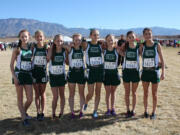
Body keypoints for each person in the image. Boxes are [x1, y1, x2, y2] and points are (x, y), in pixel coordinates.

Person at [140, 28, 165, 119]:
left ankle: (153, 112)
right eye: (146, 34)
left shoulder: (157, 45)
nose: (148, 35)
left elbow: (162, 60)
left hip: (154, 72)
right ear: (143, 36)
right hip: (145, 72)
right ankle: (145, 111)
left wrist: (163, 72)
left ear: (152, 35)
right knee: (145, 93)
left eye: (149, 34)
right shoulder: (142, 46)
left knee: (154, 94)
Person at [10, 29, 33, 126]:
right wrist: (14, 77)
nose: (24, 38)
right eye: (22, 36)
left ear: (29, 37)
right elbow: (11, 65)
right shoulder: (17, 49)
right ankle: (24, 118)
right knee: (20, 98)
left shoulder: (31, 48)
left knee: (30, 99)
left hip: (28, 75)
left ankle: (23, 112)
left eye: (26, 36)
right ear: (20, 37)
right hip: (19, 75)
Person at [63, 33, 86, 119]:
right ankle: (72, 112)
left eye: (79, 40)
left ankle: (81, 111)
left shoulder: (82, 48)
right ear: (73, 40)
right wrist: (68, 44)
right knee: (71, 94)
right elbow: (60, 44)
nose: (78, 41)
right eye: (76, 40)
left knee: (81, 93)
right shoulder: (70, 48)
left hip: (81, 72)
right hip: (72, 73)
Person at [82, 29, 104, 118]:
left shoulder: (101, 45)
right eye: (94, 35)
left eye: (97, 35)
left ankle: (95, 110)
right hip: (91, 71)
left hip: (99, 70)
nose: (96, 37)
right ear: (90, 36)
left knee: (98, 92)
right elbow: (80, 43)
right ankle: (86, 102)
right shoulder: (87, 45)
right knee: (90, 93)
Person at [120, 31, 140, 118]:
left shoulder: (138, 47)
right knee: (127, 92)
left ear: (135, 37)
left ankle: (133, 110)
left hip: (135, 72)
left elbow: (142, 54)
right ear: (127, 38)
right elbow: (118, 49)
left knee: (134, 92)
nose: (131, 38)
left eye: (133, 37)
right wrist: (123, 54)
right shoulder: (125, 46)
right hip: (126, 71)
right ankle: (128, 109)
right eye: (130, 37)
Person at [32, 30, 50, 121]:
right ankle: (38, 112)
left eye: (41, 36)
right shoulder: (33, 47)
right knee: (36, 94)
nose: (39, 38)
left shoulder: (47, 48)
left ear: (44, 37)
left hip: (43, 73)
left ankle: (42, 112)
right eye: (38, 36)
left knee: (42, 94)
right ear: (35, 38)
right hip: (35, 72)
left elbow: (49, 58)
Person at [48, 34, 66, 119]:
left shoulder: (64, 50)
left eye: (61, 41)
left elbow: (68, 63)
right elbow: (47, 59)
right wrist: (51, 48)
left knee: (62, 95)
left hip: (61, 76)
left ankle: (61, 112)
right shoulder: (51, 50)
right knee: (55, 96)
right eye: (57, 41)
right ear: (54, 41)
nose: (59, 42)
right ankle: (53, 113)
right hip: (53, 76)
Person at [103, 34, 121, 116]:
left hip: (114, 74)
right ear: (106, 41)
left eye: (112, 39)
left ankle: (113, 108)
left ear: (114, 41)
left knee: (113, 92)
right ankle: (108, 109)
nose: (110, 41)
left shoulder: (117, 50)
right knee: (107, 93)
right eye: (108, 39)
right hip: (106, 74)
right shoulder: (104, 51)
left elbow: (125, 55)